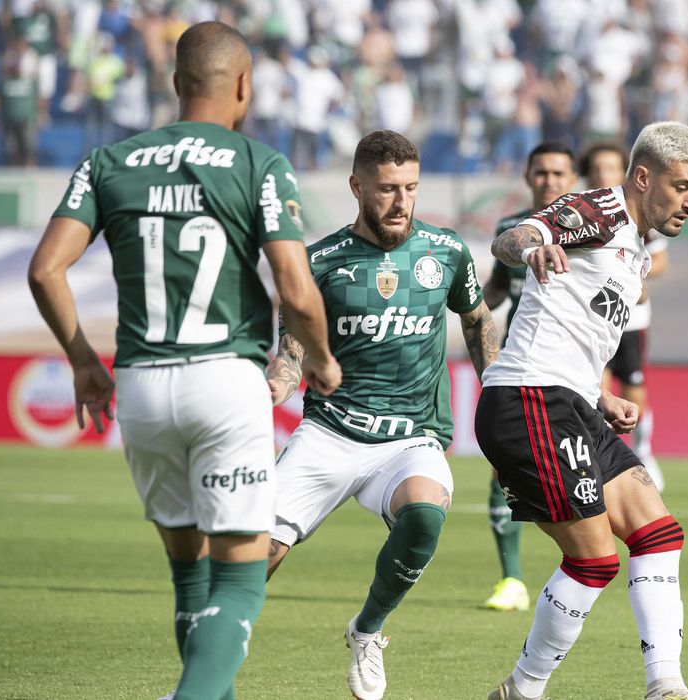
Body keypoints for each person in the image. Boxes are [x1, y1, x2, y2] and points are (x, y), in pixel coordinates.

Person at [27, 22, 340, 700]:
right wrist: (318, 356)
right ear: (245, 88)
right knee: (239, 578)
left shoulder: (107, 162)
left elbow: (45, 270)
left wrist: (83, 360)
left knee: (188, 574)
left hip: (139, 388)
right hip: (226, 381)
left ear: (175, 85)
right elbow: (295, 287)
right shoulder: (259, 163)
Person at [476, 121, 688, 700]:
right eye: (681, 186)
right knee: (594, 561)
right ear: (643, 178)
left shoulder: (637, 247)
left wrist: (600, 394)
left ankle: (666, 686)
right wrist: (534, 245)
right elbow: (511, 239)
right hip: (529, 397)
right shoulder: (600, 210)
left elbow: (573, 328)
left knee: (659, 532)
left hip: (571, 401)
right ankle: (522, 690)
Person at [264, 129, 498, 700]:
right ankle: (200, 681)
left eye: (411, 188)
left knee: (425, 515)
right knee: (249, 564)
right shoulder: (318, 262)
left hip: (410, 438)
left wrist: (497, 385)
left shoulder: (446, 252)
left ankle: (367, 632)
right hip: (329, 433)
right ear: (356, 186)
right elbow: (290, 352)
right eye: (388, 189)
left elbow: (477, 320)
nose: (401, 202)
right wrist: (277, 382)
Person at [481, 141, 579, 613]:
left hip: (575, 369)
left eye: (558, 173)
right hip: (523, 366)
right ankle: (512, 580)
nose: (549, 181)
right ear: (527, 176)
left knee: (585, 469)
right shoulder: (511, 231)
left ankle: (587, 568)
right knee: (504, 469)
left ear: (573, 179)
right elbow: (498, 289)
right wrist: (465, 307)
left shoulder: (591, 232)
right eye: (540, 173)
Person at [580, 140, 670, 492]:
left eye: (611, 167)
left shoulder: (641, 212)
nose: (604, 174)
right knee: (594, 388)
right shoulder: (583, 211)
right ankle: (596, 454)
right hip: (593, 318)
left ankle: (644, 451)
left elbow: (660, 260)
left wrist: (637, 277)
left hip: (631, 320)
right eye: (597, 168)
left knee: (633, 390)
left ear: (627, 173)